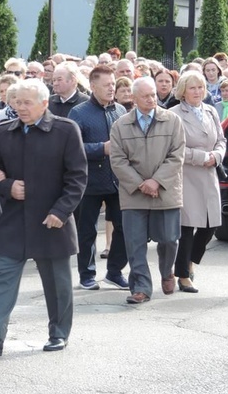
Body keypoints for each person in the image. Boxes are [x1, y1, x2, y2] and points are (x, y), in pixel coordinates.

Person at [0, 79, 87, 355]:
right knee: (2, 277)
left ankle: (58, 333)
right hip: (15, 220)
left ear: (44, 104)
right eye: (16, 101)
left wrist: (61, 211)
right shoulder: (4, 132)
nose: (20, 107)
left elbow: (78, 177)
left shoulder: (66, 130)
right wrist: (7, 186)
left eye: (26, 102)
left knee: (57, 284)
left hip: (51, 219)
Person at [110, 77, 185, 304]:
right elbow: (118, 160)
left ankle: (166, 271)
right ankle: (141, 287)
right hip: (134, 194)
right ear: (134, 98)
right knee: (135, 244)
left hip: (166, 192)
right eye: (145, 96)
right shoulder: (121, 125)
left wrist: (156, 182)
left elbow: (177, 155)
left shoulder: (172, 121)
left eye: (153, 94)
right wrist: (140, 184)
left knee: (169, 240)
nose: (152, 99)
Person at [68, 65, 129, 291]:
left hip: (117, 180)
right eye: (106, 85)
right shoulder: (79, 112)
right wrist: (100, 149)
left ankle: (115, 271)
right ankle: (87, 275)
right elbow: (72, 148)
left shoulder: (121, 111)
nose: (111, 88)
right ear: (93, 87)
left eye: (113, 84)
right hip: (89, 181)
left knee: (123, 227)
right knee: (87, 231)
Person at [170, 71, 225, 293]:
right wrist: (201, 157)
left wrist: (217, 155)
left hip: (209, 174)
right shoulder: (174, 114)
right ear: (183, 91)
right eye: (193, 88)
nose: (197, 92)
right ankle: (183, 275)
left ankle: (190, 261)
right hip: (187, 174)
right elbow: (174, 148)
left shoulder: (211, 111)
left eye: (201, 87)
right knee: (187, 226)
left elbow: (221, 139)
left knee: (211, 224)